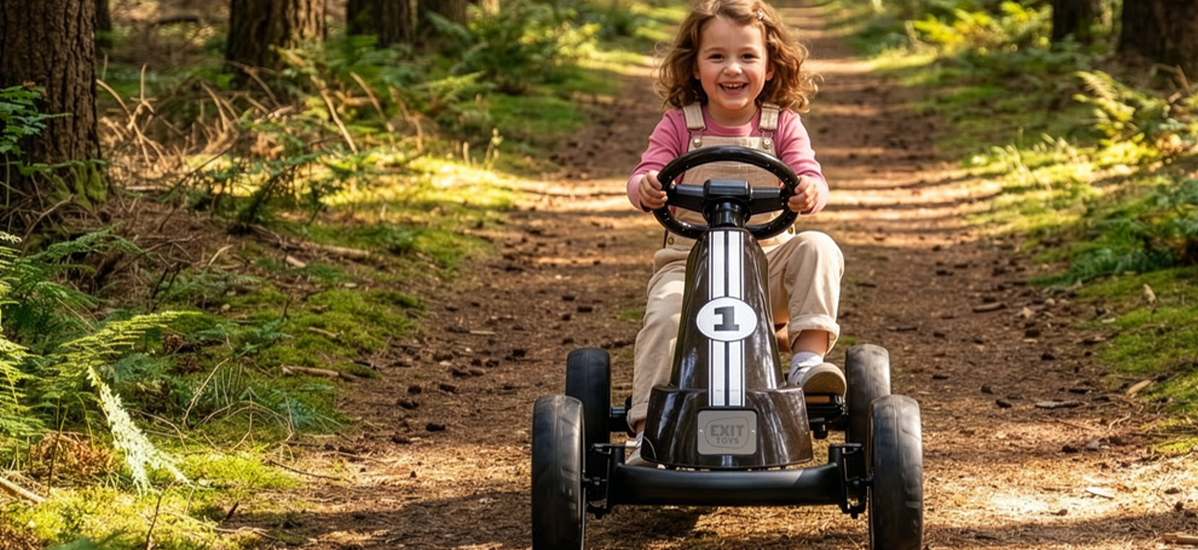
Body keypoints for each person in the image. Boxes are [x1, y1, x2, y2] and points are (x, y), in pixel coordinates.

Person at [625, 0, 844, 466]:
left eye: (747, 56)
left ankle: (806, 362)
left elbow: (810, 176)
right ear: (695, 65)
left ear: (769, 67)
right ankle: (647, 430)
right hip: (690, 266)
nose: (733, 68)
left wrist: (809, 191)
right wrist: (644, 188)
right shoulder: (679, 124)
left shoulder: (782, 124)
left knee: (818, 246)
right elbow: (646, 174)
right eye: (717, 56)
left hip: (766, 268)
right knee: (663, 316)